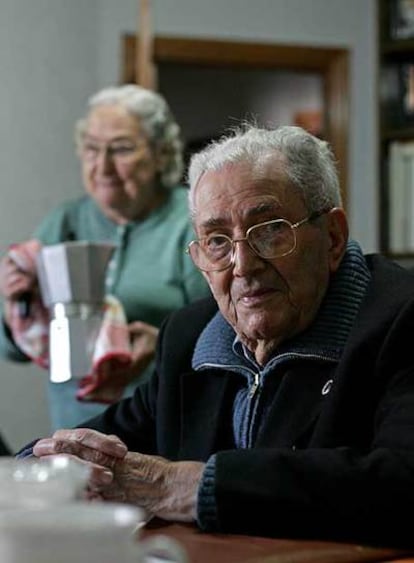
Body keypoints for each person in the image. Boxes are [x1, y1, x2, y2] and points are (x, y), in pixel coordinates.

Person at [23, 124, 414, 547]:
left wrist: (185, 485)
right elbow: (111, 442)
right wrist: (42, 467)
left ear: (333, 237)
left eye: (269, 230)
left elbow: (401, 483)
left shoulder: (400, 319)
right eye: (216, 241)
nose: (243, 264)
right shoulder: (190, 336)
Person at [0, 84, 209, 430]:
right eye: (91, 149)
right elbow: (13, 348)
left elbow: (228, 332)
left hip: (165, 427)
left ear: (160, 153)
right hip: (77, 431)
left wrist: (163, 349)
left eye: (121, 149)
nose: (103, 166)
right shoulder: (65, 221)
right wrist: (15, 306)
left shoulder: (191, 224)